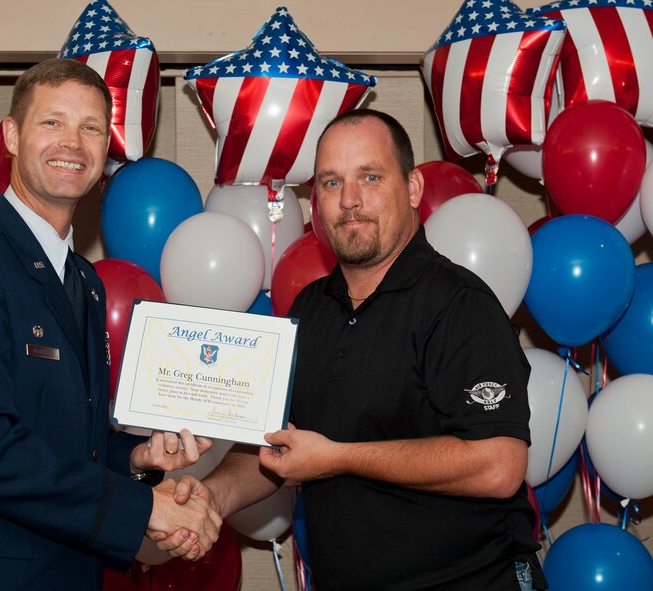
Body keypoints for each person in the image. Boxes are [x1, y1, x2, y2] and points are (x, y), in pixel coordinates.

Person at [168, 109, 546, 590]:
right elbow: (276, 444)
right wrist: (211, 499)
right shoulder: (310, 307)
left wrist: (339, 458)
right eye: (332, 182)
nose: (350, 200)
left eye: (370, 177)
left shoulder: (458, 304)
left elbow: (498, 466)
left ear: (412, 188)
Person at [0, 58, 220, 591]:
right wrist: (144, 509)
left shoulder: (84, 280)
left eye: (91, 128)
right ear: (11, 136)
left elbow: (72, 442)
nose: (73, 143)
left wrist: (136, 458)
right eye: (52, 122)